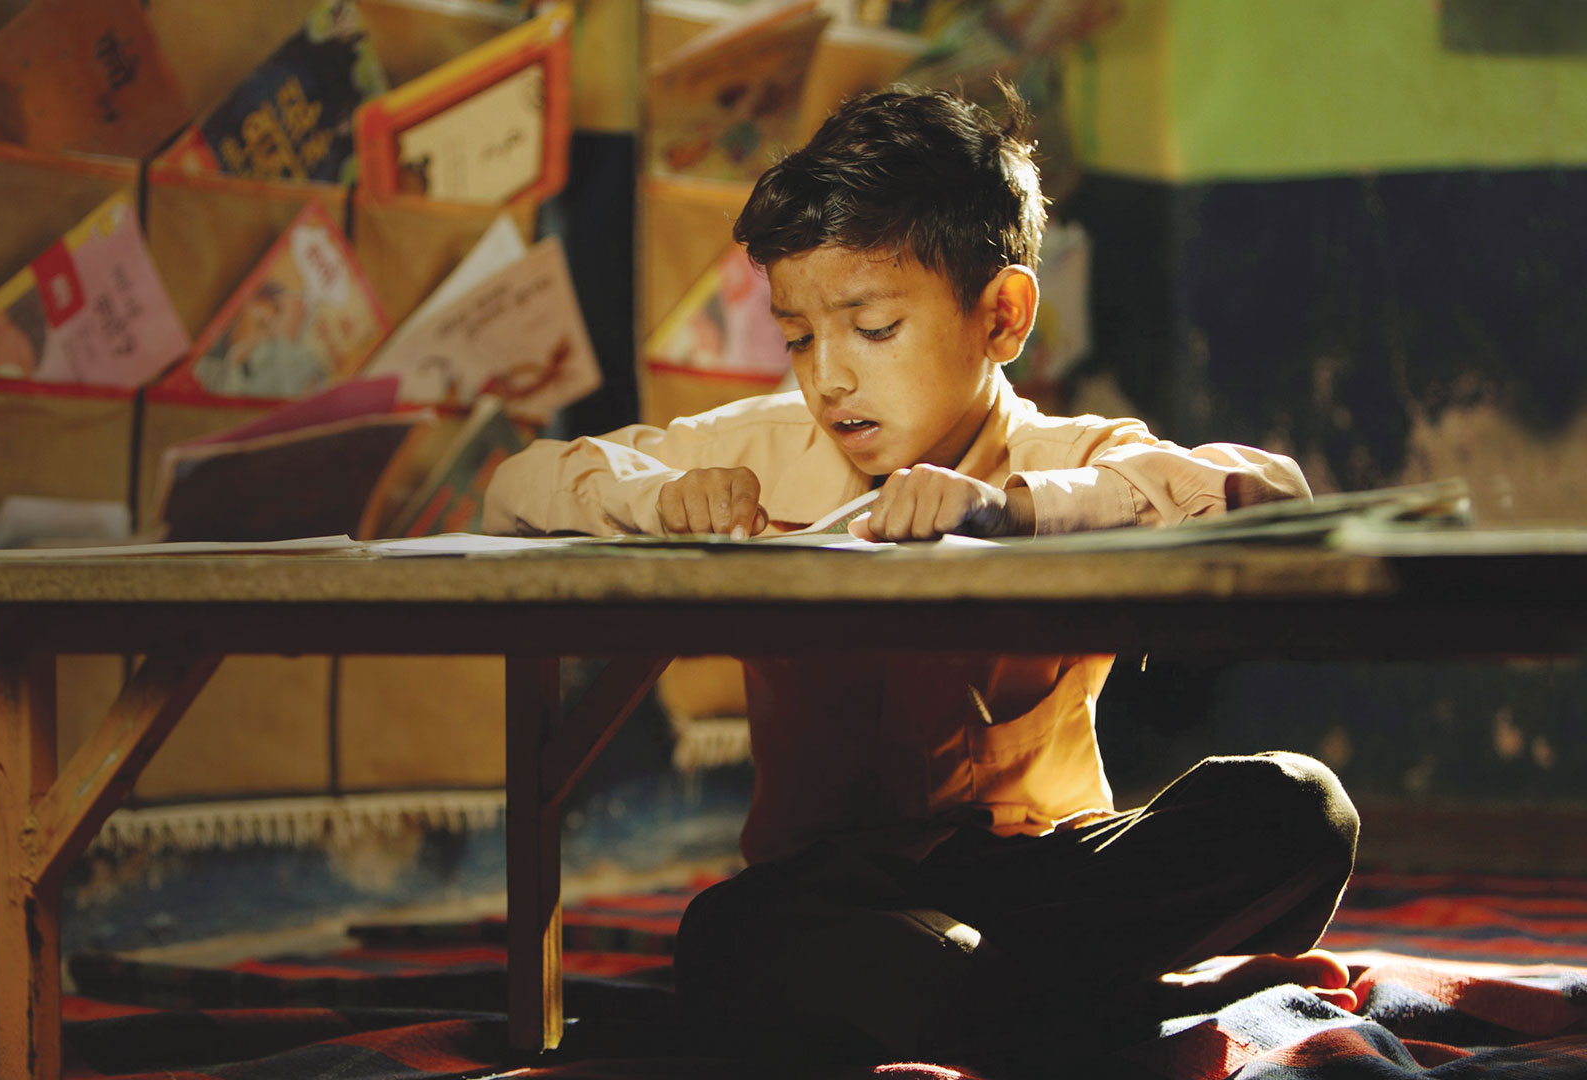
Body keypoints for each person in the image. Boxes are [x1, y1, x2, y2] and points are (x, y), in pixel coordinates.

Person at [483, 86, 1358, 1071]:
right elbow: (515, 488)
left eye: (872, 327)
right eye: (801, 336)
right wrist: (655, 503)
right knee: (732, 932)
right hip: (837, 890)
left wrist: (1011, 513)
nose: (830, 379)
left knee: (1301, 809)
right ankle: (1037, 1000)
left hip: (1049, 874)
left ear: (1003, 314)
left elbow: (1273, 498)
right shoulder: (762, 449)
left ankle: (983, 995)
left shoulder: (1070, 456)